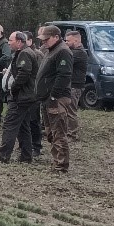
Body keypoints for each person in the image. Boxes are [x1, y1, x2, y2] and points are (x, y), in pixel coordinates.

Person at [35, 25, 75, 172]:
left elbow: (63, 76)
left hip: (56, 99)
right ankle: (56, 160)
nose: (44, 42)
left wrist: (53, 96)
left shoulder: (63, 51)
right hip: (47, 98)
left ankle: (61, 165)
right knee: (50, 132)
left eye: (46, 39)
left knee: (58, 132)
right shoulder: (51, 50)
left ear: (56, 37)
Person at [0, 31, 40, 162]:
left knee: (9, 125)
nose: (8, 43)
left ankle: (3, 156)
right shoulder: (24, 52)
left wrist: (13, 88)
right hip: (27, 96)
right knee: (23, 126)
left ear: (19, 42)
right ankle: (26, 156)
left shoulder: (25, 53)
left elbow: (24, 73)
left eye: (10, 40)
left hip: (21, 97)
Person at [65, 29, 88, 142]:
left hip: (75, 86)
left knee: (71, 110)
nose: (66, 43)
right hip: (71, 85)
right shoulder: (74, 52)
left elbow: (66, 61)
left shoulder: (79, 53)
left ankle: (72, 134)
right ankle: (68, 131)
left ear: (76, 40)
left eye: (68, 41)